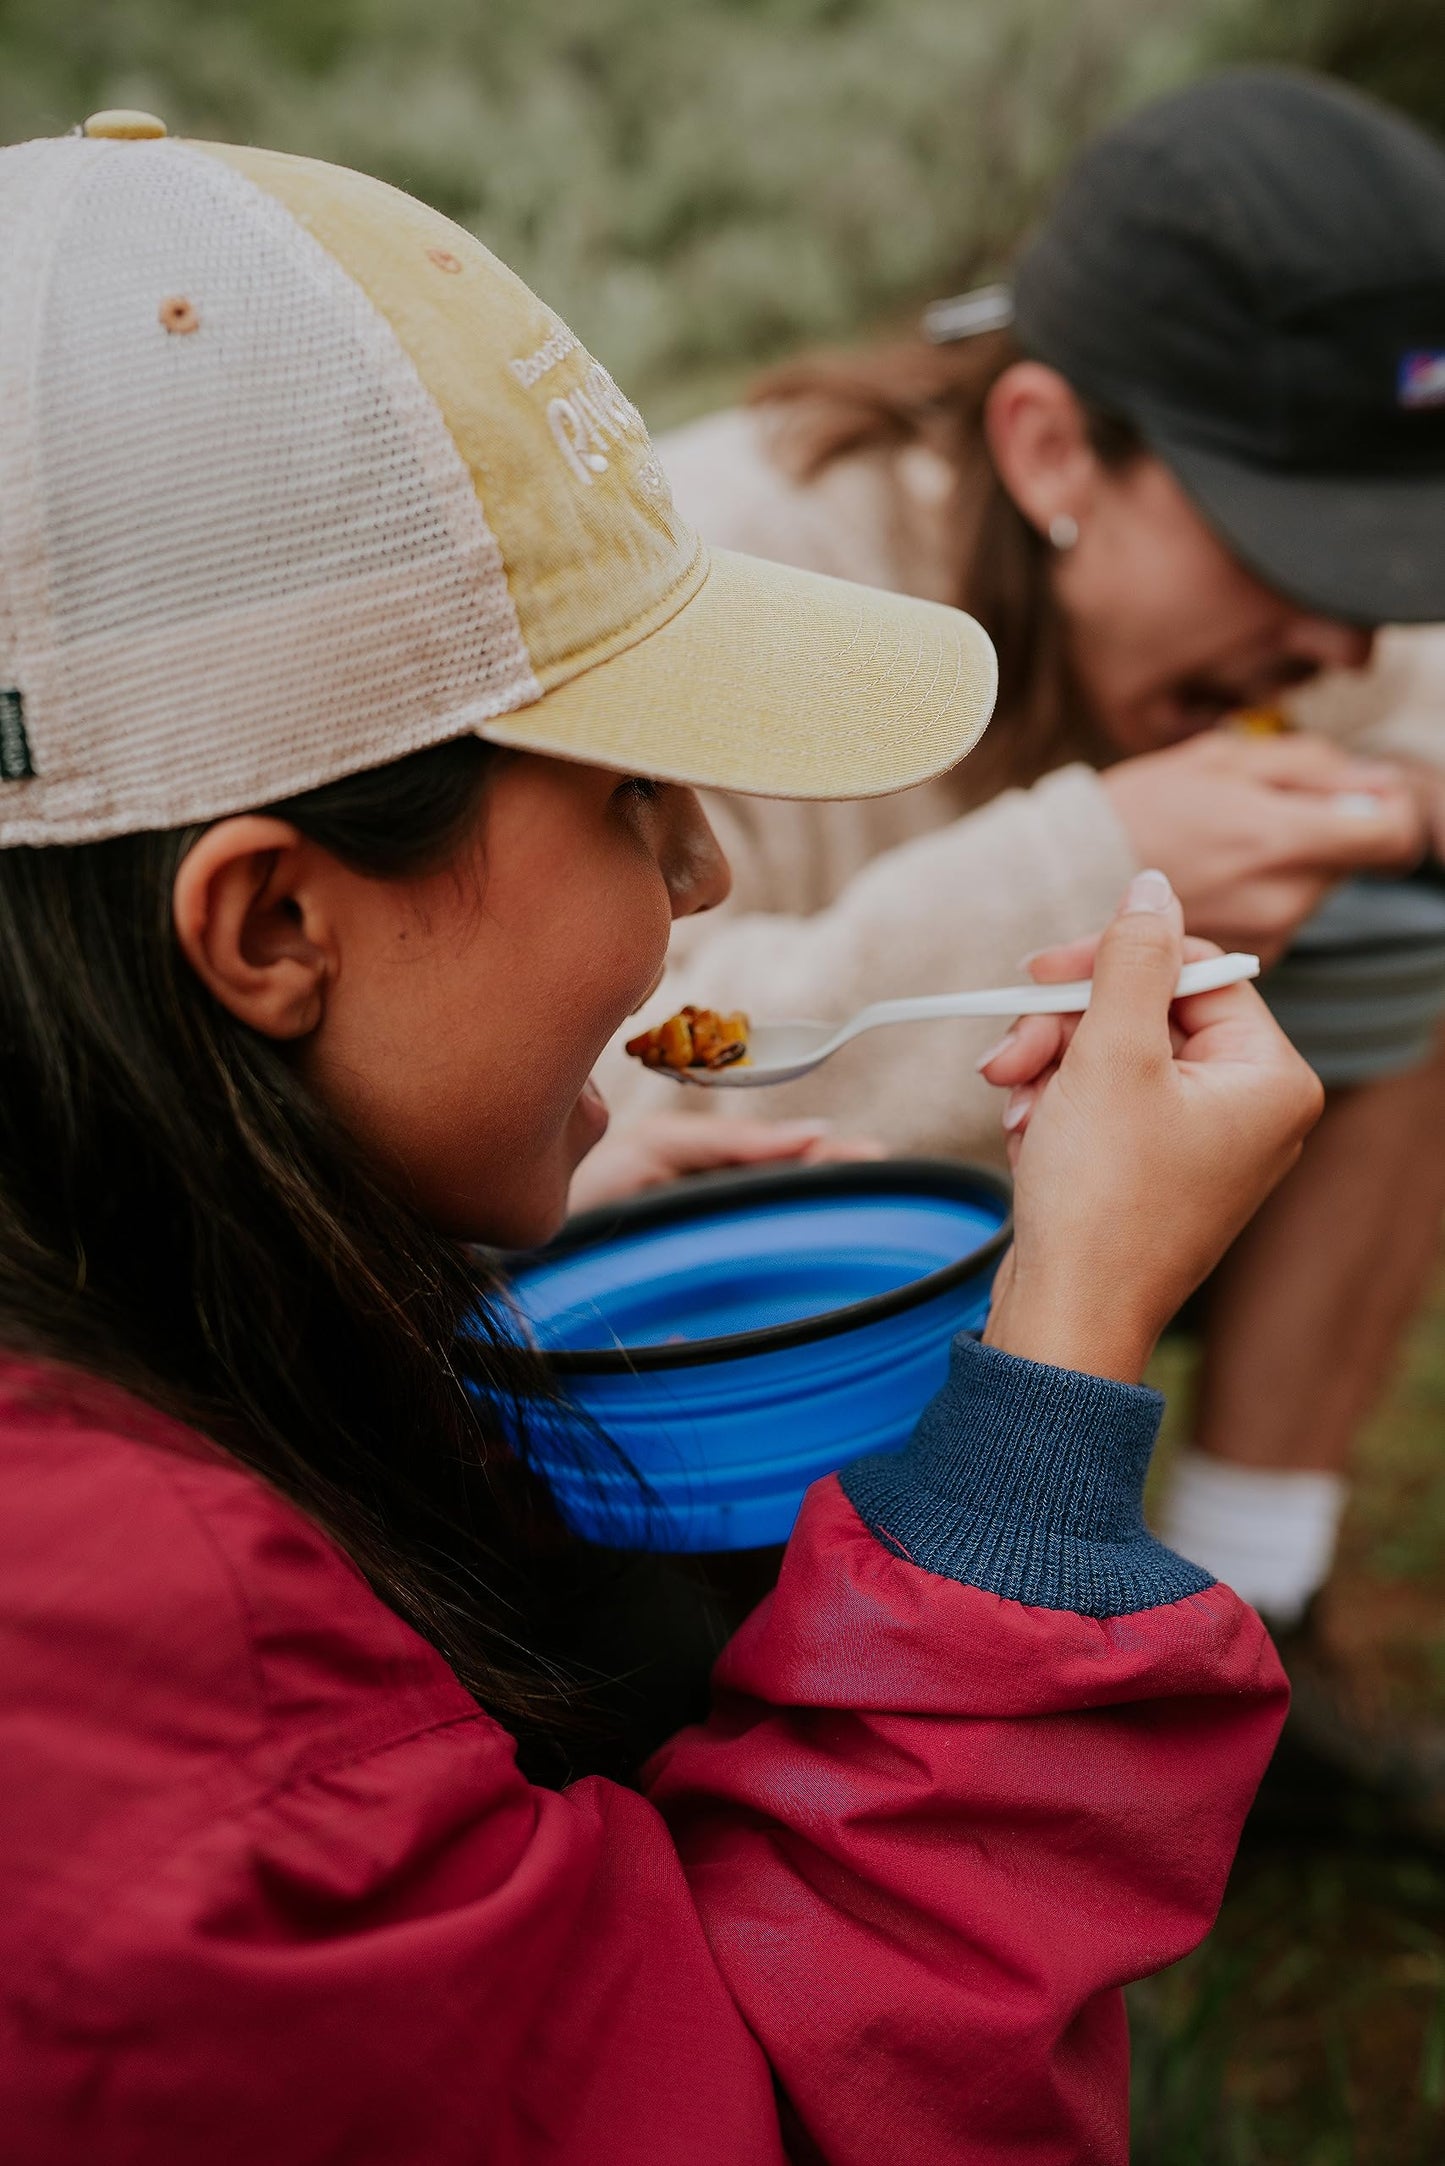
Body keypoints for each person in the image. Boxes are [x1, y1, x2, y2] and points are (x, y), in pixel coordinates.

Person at [0, 117, 1320, 2165]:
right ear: (269, 926)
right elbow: (785, 2120)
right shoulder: (175, 1706)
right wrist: (1053, 1374)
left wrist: (394, 1272)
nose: (703, 869)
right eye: (631, 797)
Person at [604, 68, 1445, 1659]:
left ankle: (1251, 1608)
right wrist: (1087, 858)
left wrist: (1393, 814)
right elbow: (609, 1071)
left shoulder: (1296, 622)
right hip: (720, 1322)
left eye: (1393, 564)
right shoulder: (725, 576)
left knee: (1405, 932)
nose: (1344, 636)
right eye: (1297, 557)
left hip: (1053, 1239)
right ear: (1051, 447)